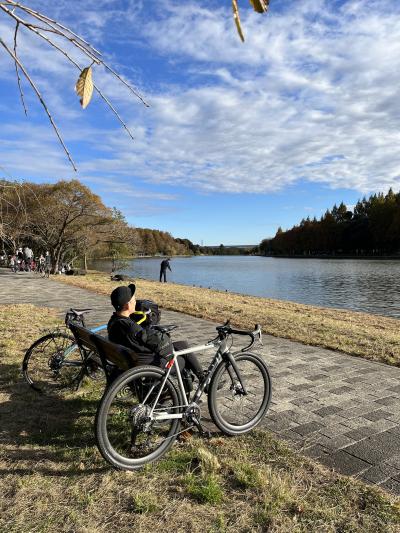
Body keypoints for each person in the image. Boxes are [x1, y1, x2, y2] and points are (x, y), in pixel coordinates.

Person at [107, 284, 204, 385]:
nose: (136, 301)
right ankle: (183, 391)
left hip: (132, 361)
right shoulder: (130, 326)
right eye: (134, 300)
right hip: (151, 364)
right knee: (183, 359)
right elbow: (158, 342)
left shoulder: (113, 322)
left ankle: (203, 379)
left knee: (182, 345)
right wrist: (166, 343)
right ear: (127, 305)